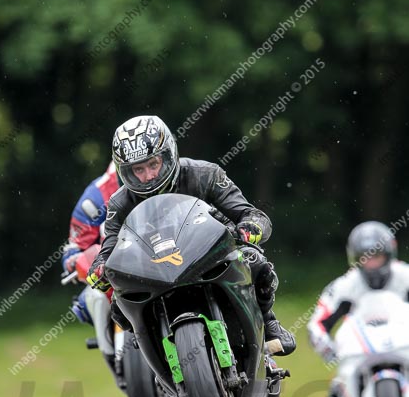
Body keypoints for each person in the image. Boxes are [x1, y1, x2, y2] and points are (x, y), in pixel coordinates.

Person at [86, 115, 296, 355]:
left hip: (213, 255)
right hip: (156, 271)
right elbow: (110, 246)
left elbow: (252, 214)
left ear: (168, 154)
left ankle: (268, 322)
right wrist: (100, 267)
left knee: (254, 261)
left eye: (153, 164)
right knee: (119, 306)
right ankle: (148, 344)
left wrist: (250, 227)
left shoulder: (206, 174)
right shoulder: (119, 202)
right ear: (125, 171)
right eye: (138, 169)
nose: (149, 176)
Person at [307, 220, 409, 397]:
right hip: (361, 350)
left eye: (376, 256)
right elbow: (317, 323)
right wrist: (328, 349)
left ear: (388, 254)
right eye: (365, 258)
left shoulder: (405, 275)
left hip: (403, 342)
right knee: (336, 395)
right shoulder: (344, 285)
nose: (371, 264)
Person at [62, 161, 120, 370]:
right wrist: (77, 261)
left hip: (168, 263)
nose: (144, 174)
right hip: (115, 278)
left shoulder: (173, 177)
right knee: (92, 298)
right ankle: (112, 357)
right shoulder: (95, 197)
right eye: (136, 168)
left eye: (150, 165)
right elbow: (74, 248)